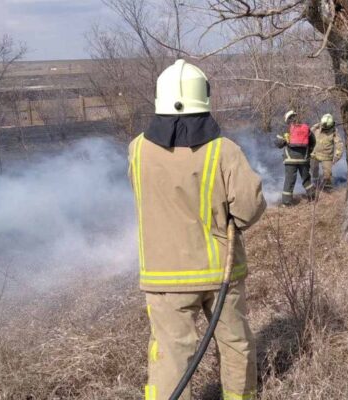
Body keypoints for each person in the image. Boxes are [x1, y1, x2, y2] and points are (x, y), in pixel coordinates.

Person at [128, 59, 267, 400]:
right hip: (221, 271)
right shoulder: (224, 150)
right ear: (204, 97)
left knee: (171, 355)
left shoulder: (137, 150)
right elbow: (248, 210)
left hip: (164, 277)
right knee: (235, 344)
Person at [274, 110, 316, 205]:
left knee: (289, 180)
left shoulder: (285, 129)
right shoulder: (306, 128)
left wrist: (284, 141)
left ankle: (287, 203)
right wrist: (308, 152)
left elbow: (279, 144)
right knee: (306, 179)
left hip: (290, 160)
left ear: (287, 119)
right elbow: (313, 141)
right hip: (304, 159)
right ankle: (312, 197)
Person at [310, 113, 344, 191]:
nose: (324, 128)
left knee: (327, 175)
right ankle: (315, 184)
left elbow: (339, 144)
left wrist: (337, 156)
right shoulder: (316, 128)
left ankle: (327, 189)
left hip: (327, 156)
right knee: (314, 171)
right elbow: (307, 136)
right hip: (314, 154)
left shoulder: (334, 131)